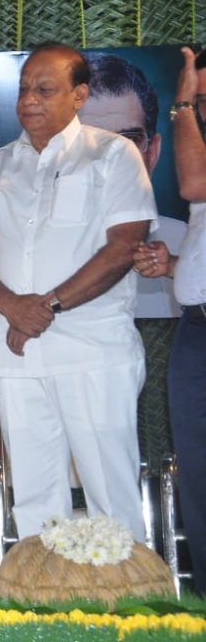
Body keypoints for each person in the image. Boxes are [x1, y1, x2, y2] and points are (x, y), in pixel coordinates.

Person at [0, 43, 157, 541]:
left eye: (45, 90)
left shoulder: (113, 154)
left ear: (80, 95)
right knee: (33, 499)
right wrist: (12, 307)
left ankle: (127, 591)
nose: (29, 100)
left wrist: (45, 307)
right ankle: (42, 591)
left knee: (110, 495)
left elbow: (124, 246)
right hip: (18, 355)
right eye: (24, 89)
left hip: (94, 350)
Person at [133, 46, 206, 596]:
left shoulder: (194, 152)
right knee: (198, 475)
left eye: (200, 100)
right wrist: (178, 267)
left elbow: (193, 186)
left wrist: (179, 103)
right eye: (198, 102)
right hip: (195, 330)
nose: (199, 109)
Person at [79, 51, 185, 318]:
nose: (112, 158)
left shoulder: (185, 244)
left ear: (153, 153)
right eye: (91, 141)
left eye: (128, 140)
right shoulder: (23, 248)